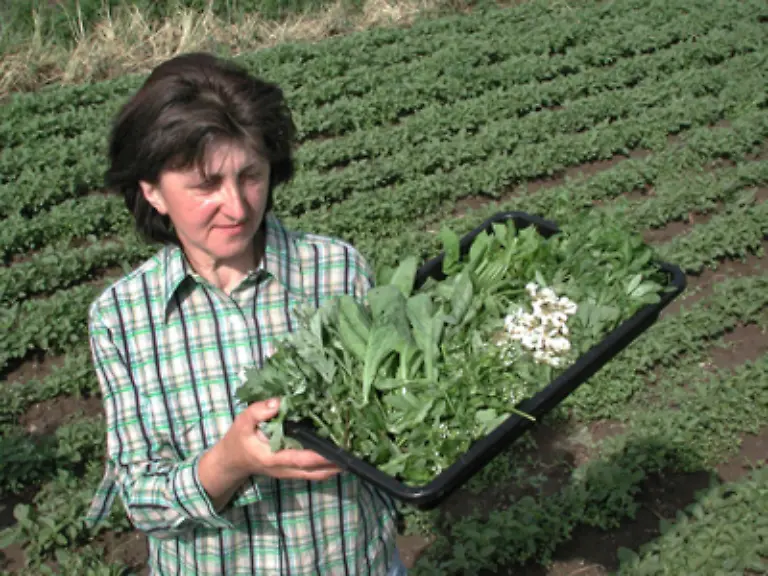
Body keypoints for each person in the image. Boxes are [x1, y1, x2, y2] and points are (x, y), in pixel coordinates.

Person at [84, 52, 408, 575]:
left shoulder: (335, 270)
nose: (237, 207)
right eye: (206, 184)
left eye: (250, 175)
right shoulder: (122, 318)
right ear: (152, 191)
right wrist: (229, 463)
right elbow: (142, 499)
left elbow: (391, 413)